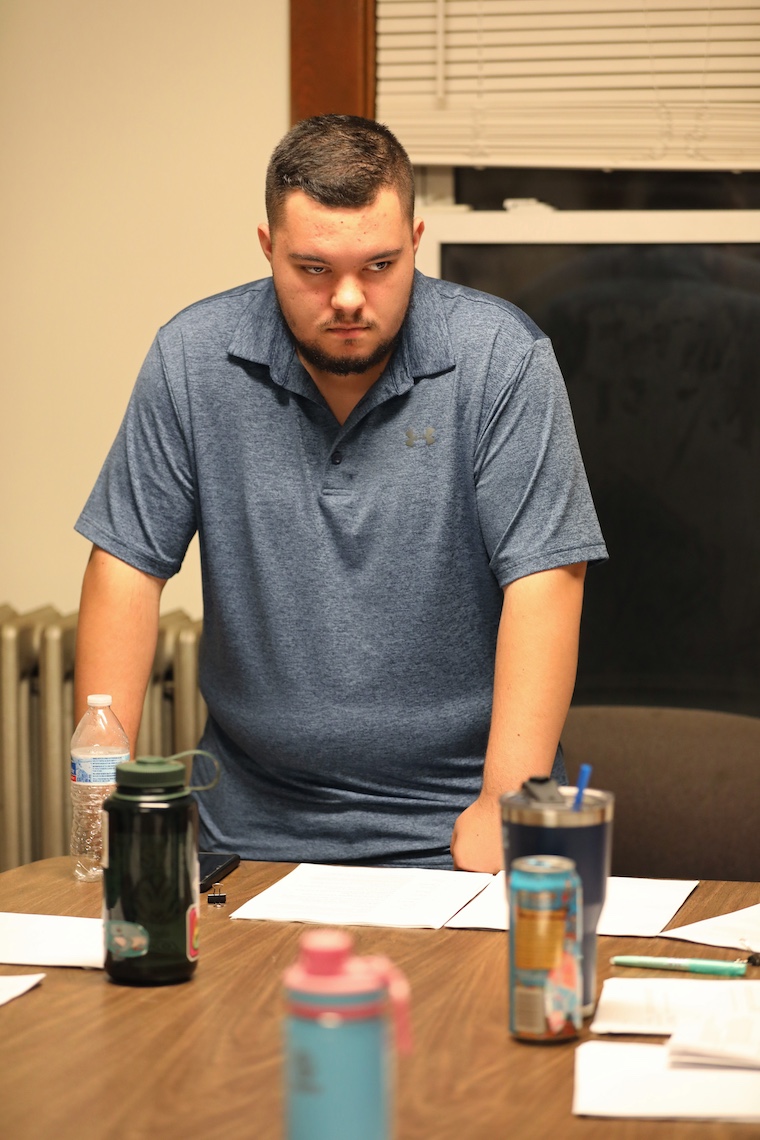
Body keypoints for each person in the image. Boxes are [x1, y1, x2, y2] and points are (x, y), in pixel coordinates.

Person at [74, 115, 607, 873]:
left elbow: (547, 578)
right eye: (314, 270)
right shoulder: (192, 360)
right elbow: (125, 567)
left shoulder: (501, 359)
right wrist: (104, 804)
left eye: (380, 265)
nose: (349, 298)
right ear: (268, 248)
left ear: (416, 240)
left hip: (453, 826)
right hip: (245, 829)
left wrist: (504, 801)